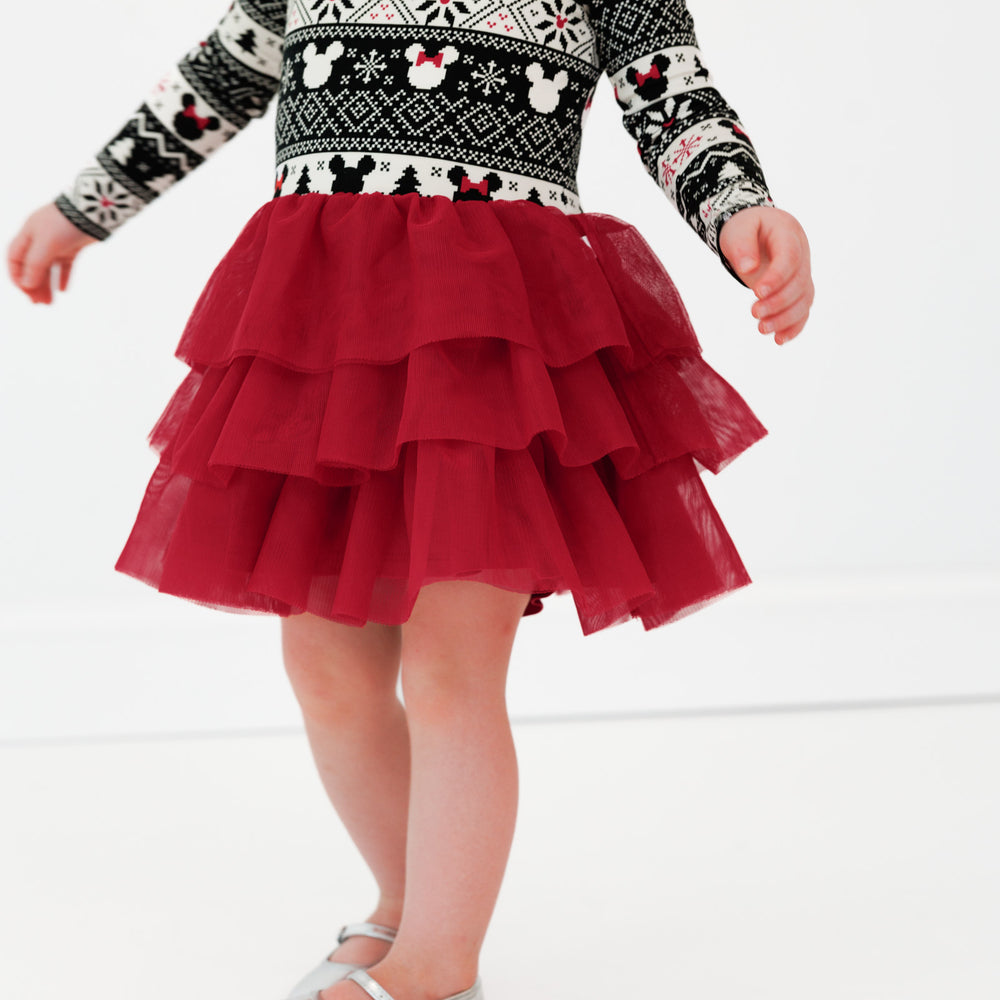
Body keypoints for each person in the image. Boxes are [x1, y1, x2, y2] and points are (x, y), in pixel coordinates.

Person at [6, 1, 814, 998]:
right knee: (324, 661)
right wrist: (83, 206)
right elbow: (214, 80)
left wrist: (740, 209)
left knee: (449, 664)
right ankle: (401, 906)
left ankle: (441, 959)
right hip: (327, 327)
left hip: (485, 335)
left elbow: (671, 97)